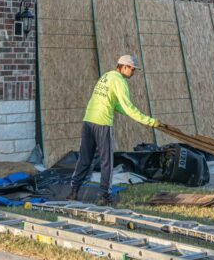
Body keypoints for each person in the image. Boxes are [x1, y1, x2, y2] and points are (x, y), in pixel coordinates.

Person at [68, 54, 160, 205]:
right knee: (107, 162)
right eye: (132, 69)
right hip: (102, 123)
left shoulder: (106, 76)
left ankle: (73, 191)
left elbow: (116, 105)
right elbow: (128, 107)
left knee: (84, 159)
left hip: (88, 121)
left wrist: (132, 115)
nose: (133, 72)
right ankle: (105, 196)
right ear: (124, 67)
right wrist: (149, 121)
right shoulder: (120, 81)